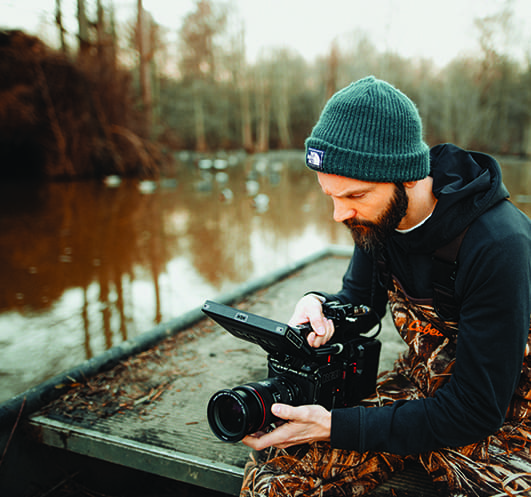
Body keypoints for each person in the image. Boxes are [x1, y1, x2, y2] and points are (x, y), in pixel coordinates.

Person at [239, 76, 531, 496]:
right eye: (331, 196)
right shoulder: (376, 219)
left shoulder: (498, 243)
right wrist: (323, 309)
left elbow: (477, 409)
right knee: (276, 479)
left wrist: (334, 425)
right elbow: (361, 304)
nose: (340, 214)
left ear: (408, 177)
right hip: (419, 386)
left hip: (504, 408)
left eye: (354, 195)